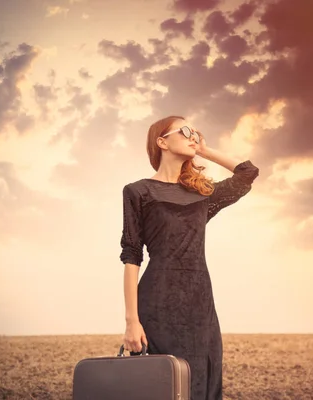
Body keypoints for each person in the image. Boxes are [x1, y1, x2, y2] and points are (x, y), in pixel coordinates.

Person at [120, 115, 260, 400]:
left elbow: (247, 173)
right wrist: (131, 321)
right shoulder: (138, 191)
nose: (192, 135)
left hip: (200, 305)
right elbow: (132, 255)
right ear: (162, 142)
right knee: (165, 387)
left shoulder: (202, 196)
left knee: (203, 384)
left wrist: (204, 150)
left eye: (195, 131)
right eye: (184, 131)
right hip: (157, 304)